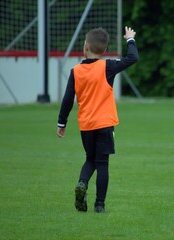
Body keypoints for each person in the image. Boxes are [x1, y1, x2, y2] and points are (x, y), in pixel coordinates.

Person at [56, 26, 139, 213]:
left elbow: (68, 99)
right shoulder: (107, 66)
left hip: (86, 126)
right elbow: (133, 58)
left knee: (90, 159)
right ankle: (99, 205)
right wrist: (130, 39)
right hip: (105, 124)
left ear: (85, 46)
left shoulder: (75, 71)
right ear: (104, 50)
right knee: (102, 163)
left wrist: (62, 123)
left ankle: (82, 183)